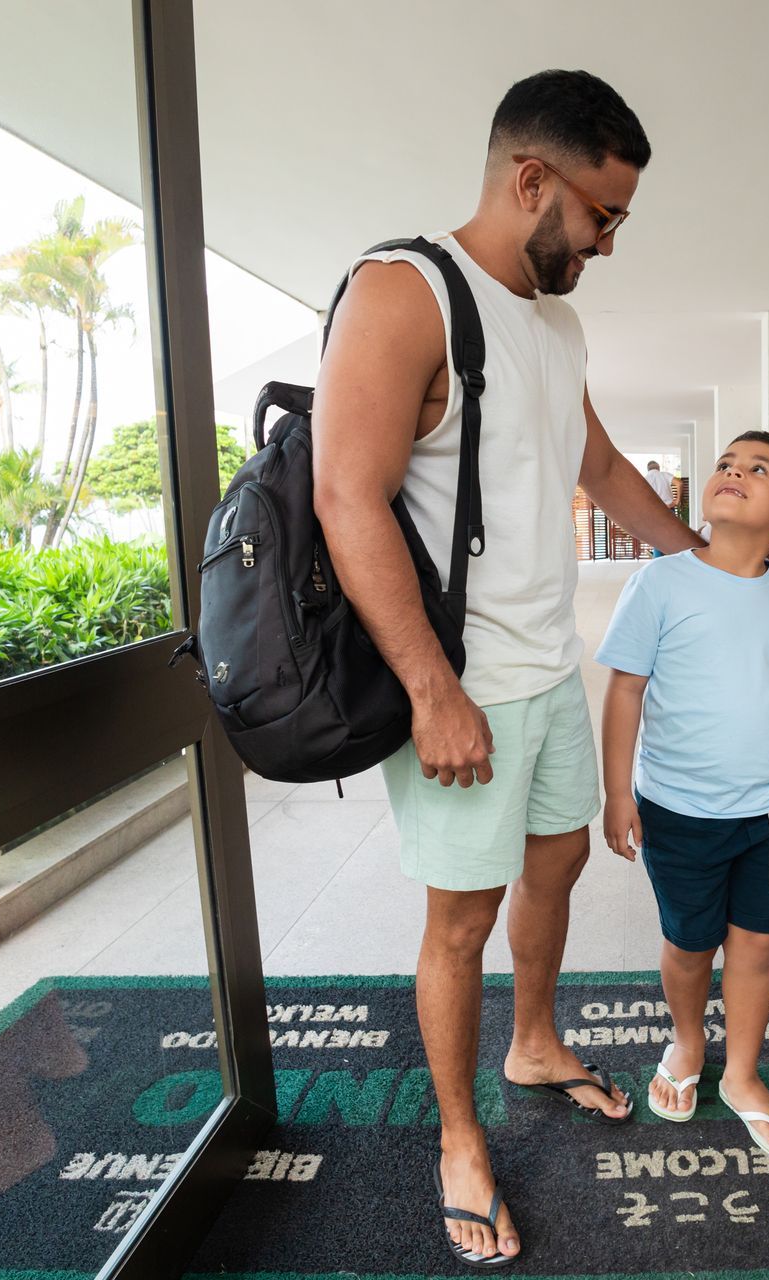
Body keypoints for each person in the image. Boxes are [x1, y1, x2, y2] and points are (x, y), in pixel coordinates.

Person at [314, 70, 706, 1268]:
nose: (605, 242)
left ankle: (534, 1041)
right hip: (459, 685)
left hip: (546, 670)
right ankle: (457, 1135)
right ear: (531, 179)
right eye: (600, 215)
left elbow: (593, 459)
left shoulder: (557, 318)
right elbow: (347, 493)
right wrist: (435, 691)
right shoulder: (407, 292)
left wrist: (701, 555)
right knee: (460, 917)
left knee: (561, 861)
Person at [596, 432, 769, 1156]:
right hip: (679, 811)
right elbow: (625, 689)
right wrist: (617, 793)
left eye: (759, 468)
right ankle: (687, 1044)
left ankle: (742, 1074)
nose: (735, 472)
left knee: (757, 946)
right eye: (726, 464)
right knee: (690, 945)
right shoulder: (661, 582)